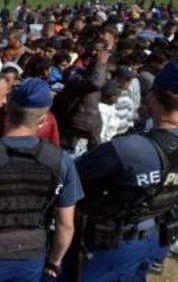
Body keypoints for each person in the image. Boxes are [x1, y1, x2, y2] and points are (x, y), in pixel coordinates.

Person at [0, 78, 83, 281]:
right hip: (32, 255)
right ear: (43, 120)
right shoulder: (61, 161)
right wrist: (54, 262)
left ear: (8, 112)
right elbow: (65, 225)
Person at [72, 61, 178, 281]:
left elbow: (77, 171)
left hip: (110, 242)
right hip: (152, 236)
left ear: (153, 98)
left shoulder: (130, 148)